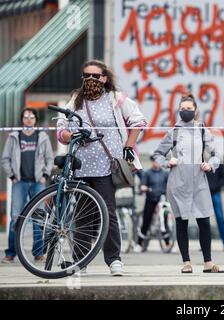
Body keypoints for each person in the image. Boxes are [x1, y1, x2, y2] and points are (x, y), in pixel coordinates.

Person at [57, 60, 147, 276]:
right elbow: (61, 130)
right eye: (86, 75)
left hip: (108, 167)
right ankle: (80, 261)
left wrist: (128, 146)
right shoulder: (75, 101)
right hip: (81, 166)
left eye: (95, 76)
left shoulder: (117, 98)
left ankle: (114, 260)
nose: (90, 79)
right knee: (81, 215)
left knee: (108, 212)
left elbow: (138, 122)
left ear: (104, 78)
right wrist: (73, 135)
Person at [153, 94, 224, 274]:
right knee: (181, 222)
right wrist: (167, 162)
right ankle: (186, 262)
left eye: (189, 109)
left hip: (199, 181)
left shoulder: (202, 130)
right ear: (178, 110)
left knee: (204, 221)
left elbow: (216, 154)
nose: (186, 112)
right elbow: (157, 154)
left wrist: (210, 165)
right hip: (178, 182)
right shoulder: (174, 131)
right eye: (183, 109)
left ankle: (208, 263)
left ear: (196, 111)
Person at [1, 108, 54, 263]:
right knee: (16, 218)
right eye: (26, 117)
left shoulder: (42, 136)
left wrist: (45, 175)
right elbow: (5, 159)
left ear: (36, 119)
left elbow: (50, 159)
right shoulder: (14, 137)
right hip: (20, 182)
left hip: (38, 183)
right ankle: (11, 253)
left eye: (31, 117)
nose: (29, 119)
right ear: (22, 119)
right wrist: (12, 175)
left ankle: (38, 253)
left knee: (38, 218)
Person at [135, 155, 169, 252]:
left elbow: (169, 184)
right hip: (150, 199)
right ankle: (139, 243)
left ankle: (167, 243)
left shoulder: (165, 173)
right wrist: (143, 187)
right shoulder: (147, 173)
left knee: (165, 220)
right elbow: (143, 184)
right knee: (146, 221)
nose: (156, 163)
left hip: (162, 199)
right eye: (154, 161)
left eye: (158, 161)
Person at [206, 164, 224, 252]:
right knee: (203, 220)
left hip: (215, 193)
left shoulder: (218, 162)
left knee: (220, 218)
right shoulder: (201, 160)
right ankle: (204, 245)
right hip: (204, 194)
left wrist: (215, 186)